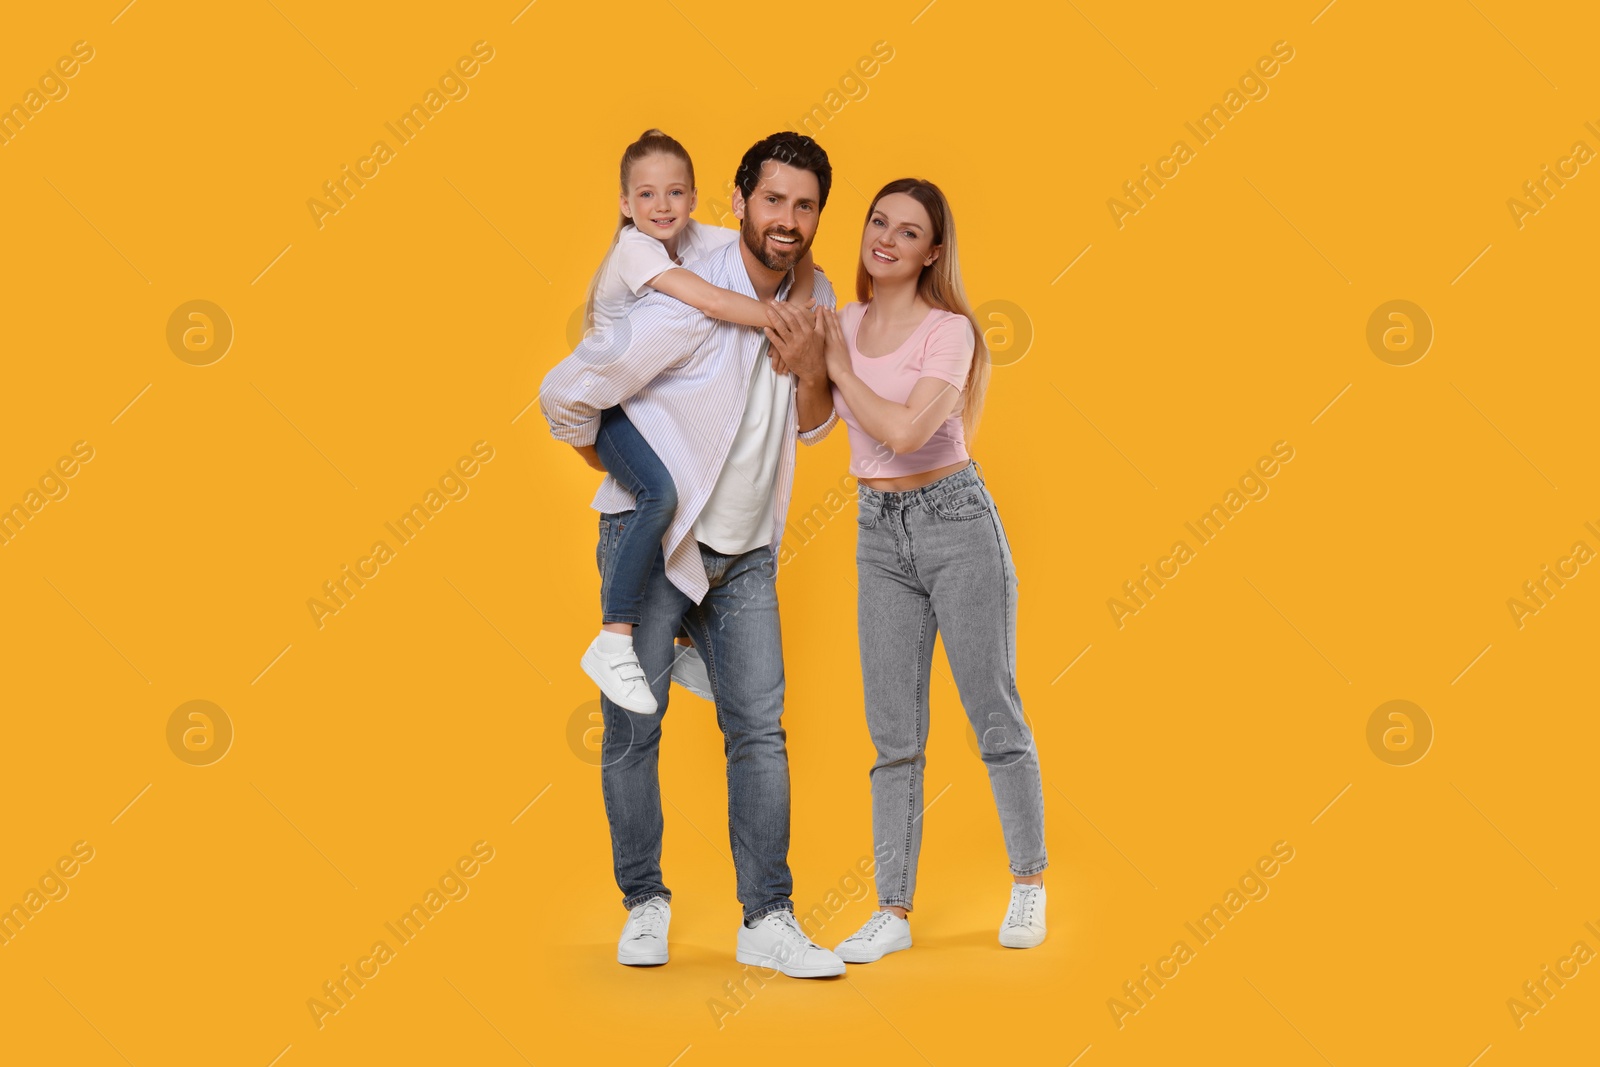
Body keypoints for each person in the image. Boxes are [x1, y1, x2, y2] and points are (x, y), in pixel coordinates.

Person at [539, 132, 847, 977]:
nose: (788, 220)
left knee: (761, 733)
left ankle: (767, 918)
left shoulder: (813, 289)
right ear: (741, 200)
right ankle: (644, 900)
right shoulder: (689, 290)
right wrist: (636, 485)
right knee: (633, 733)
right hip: (659, 542)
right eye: (773, 200)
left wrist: (811, 363)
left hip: (745, 554)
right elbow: (570, 391)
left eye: (806, 204)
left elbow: (814, 424)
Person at [817, 178, 1048, 961]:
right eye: (878, 221)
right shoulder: (841, 320)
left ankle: (1028, 881)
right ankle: (893, 909)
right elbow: (810, 418)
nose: (885, 238)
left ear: (933, 252)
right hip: (876, 532)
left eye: (908, 232)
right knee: (894, 736)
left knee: (994, 710)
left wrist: (839, 369)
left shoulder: (949, 331)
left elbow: (912, 432)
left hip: (954, 521)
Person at [576, 128, 815, 715]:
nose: (662, 207)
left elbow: (791, 252)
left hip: (641, 410)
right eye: (648, 195)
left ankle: (681, 642)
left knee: (679, 495)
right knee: (661, 495)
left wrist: (801, 309)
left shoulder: (690, 234)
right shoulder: (637, 247)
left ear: (694, 198)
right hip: (611, 405)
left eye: (675, 193)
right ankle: (613, 640)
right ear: (625, 204)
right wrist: (777, 322)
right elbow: (709, 301)